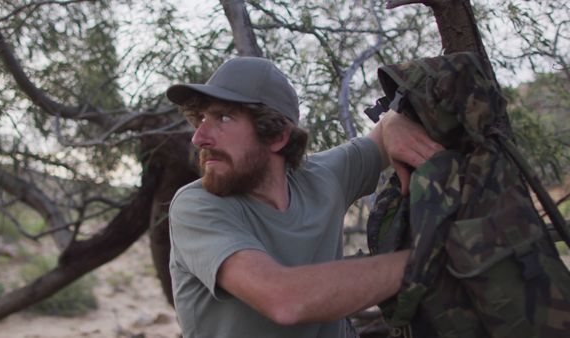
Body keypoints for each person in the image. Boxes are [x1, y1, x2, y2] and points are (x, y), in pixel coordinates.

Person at [165, 56, 443, 338]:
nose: (199, 138)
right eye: (201, 118)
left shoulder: (322, 179)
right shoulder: (196, 206)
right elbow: (284, 300)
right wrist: (431, 259)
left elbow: (382, 135)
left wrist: (393, 122)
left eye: (223, 118)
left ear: (277, 137)